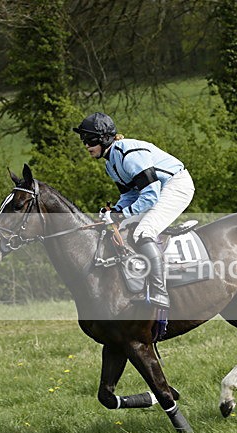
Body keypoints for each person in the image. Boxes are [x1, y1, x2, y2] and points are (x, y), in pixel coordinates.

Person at [73, 112, 195, 307]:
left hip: (176, 185)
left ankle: (160, 291)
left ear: (105, 138)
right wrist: (115, 211)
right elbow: (130, 195)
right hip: (159, 189)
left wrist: (121, 214)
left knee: (143, 232)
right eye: (83, 140)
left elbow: (150, 195)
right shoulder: (110, 164)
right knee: (123, 229)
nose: (86, 145)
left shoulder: (128, 155)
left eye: (90, 139)